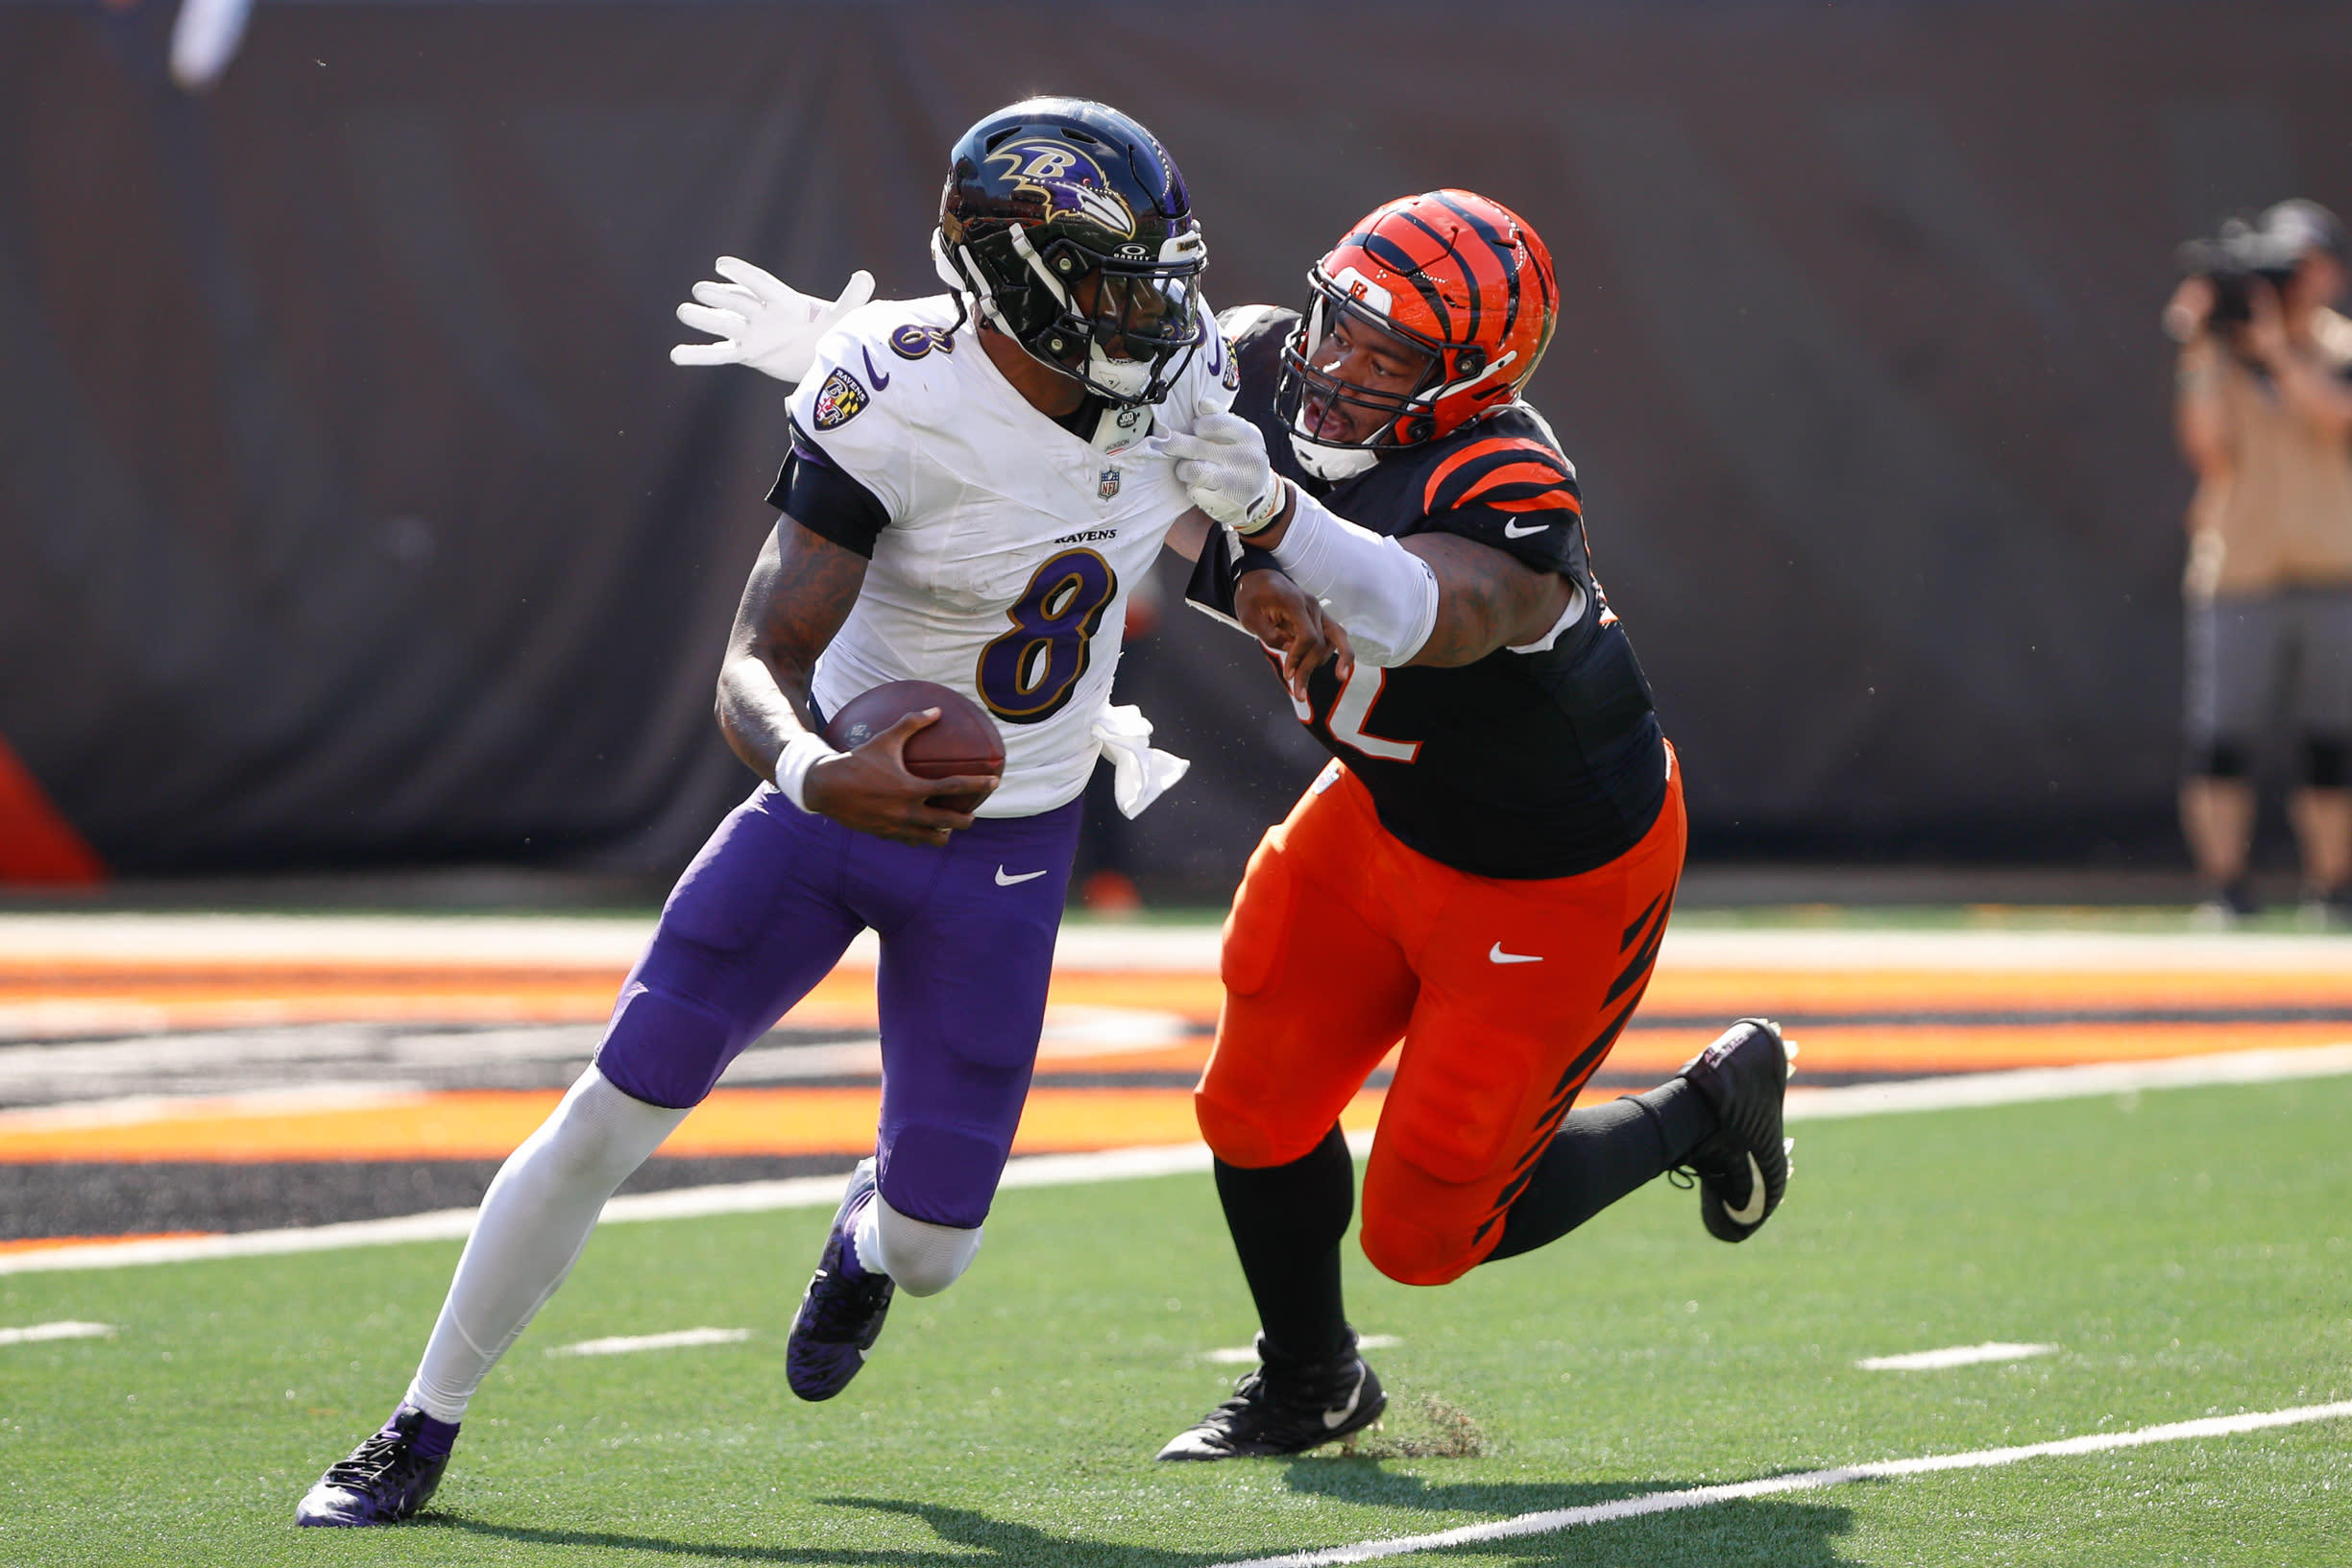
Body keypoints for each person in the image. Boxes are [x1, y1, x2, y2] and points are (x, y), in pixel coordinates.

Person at [294, 96, 1341, 1527]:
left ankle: (860, 1237)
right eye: (1111, 281)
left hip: (1011, 845)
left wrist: (1259, 579)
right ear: (1021, 282)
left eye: (1159, 275)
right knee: (613, 1110)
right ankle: (417, 1426)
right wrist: (810, 773)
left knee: (930, 1252)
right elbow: (756, 657)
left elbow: (1160, 521)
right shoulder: (894, 394)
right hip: (831, 807)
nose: (1151, 312)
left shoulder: (1181, 369)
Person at [691, 189, 1796, 1462]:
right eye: (1342, 325)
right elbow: (1055, 352)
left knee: (1427, 1236)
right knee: (1251, 1107)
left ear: (1469, 382)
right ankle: (1310, 1378)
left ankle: (1707, 1106)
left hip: (1548, 870)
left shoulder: (1507, 483)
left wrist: (1272, 520)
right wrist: (855, 357)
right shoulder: (1258, 358)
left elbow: (1414, 615)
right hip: (1375, 814)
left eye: (1393, 356)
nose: (1339, 367)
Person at [2166, 200, 2352, 927]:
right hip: (2240, 568)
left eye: (2296, 268)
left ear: (2327, 273)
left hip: (2333, 569)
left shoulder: (2337, 344)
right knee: (2222, 738)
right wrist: (2196, 346)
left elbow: (2335, 415)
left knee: (2331, 741)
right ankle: (2225, 884)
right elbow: (2205, 448)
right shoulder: (2220, 355)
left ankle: (2331, 885)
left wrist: (2278, 348)